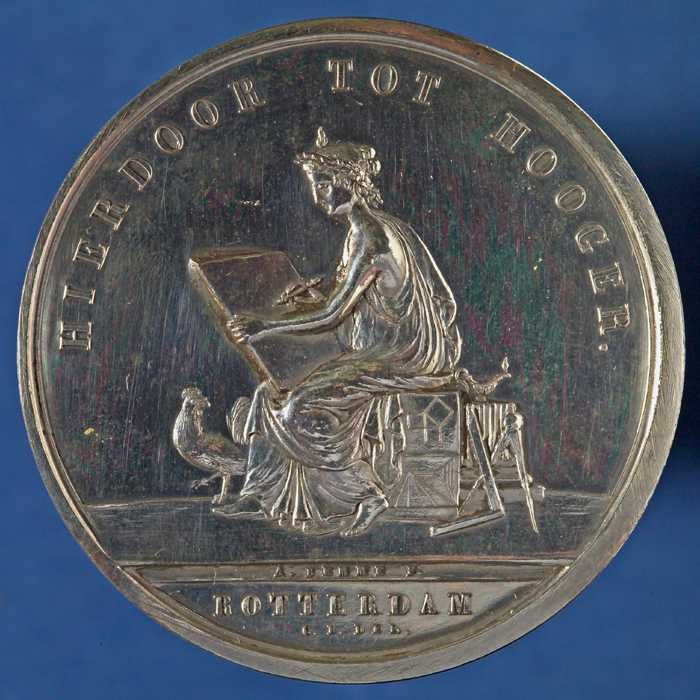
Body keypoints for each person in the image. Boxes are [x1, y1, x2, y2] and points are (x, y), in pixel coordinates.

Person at [213, 127, 462, 536]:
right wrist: (327, 295)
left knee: (298, 408)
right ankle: (259, 492)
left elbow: (332, 315)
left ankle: (367, 494)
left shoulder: (371, 237)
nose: (319, 195)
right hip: (390, 347)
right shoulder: (389, 228)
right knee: (268, 392)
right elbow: (444, 299)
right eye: (316, 184)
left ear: (351, 181)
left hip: (397, 356)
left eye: (325, 182)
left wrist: (266, 325)